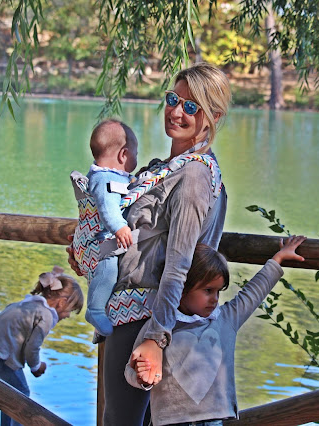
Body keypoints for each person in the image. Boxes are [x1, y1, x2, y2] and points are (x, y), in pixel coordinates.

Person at [67, 62, 232, 425]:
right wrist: (91, 256)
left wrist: (155, 339)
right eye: (173, 99)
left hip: (146, 319)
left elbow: (180, 265)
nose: (175, 111)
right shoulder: (163, 168)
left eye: (191, 106)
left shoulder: (193, 177)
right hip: (134, 315)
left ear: (213, 115)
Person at [125, 236, 306, 426]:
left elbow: (254, 292)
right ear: (182, 288)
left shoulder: (226, 319)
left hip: (215, 421)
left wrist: (278, 259)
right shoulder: (158, 327)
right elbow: (130, 371)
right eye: (208, 290)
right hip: (171, 422)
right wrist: (142, 378)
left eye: (219, 291)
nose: (215, 299)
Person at [0, 266, 84, 426]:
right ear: (62, 303)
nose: (67, 316)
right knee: (22, 395)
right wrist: (36, 366)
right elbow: (32, 347)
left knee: (9, 394)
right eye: (71, 311)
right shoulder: (46, 315)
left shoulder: (27, 304)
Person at [70, 119, 138, 340]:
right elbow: (107, 206)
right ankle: (95, 309)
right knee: (108, 268)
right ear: (123, 155)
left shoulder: (105, 175)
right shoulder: (104, 179)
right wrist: (120, 227)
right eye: (135, 154)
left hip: (91, 239)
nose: (137, 160)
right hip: (96, 242)